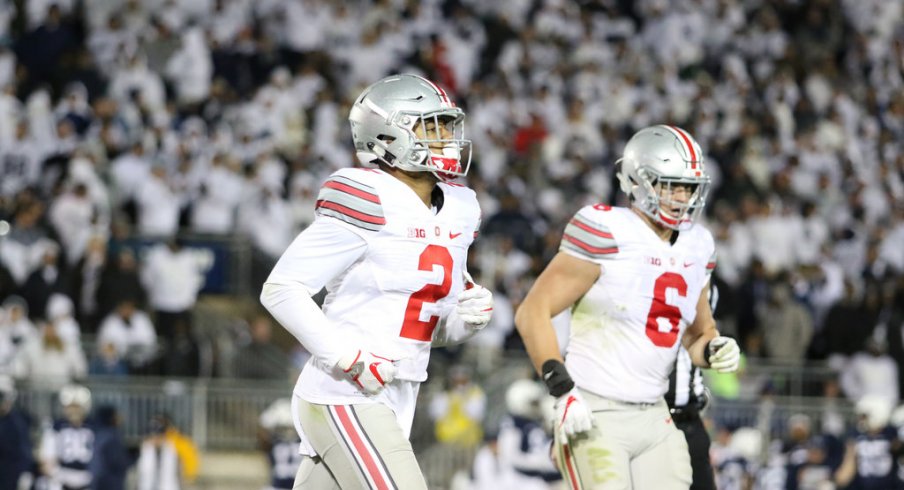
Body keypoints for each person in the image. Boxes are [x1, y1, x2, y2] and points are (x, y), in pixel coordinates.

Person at [261, 73, 493, 489]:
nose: (446, 137)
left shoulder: (461, 207)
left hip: (397, 391)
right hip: (344, 393)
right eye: (431, 126)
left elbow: (420, 330)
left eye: (447, 126)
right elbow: (282, 289)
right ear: (387, 135)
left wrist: (464, 322)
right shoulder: (367, 195)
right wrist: (346, 357)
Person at [514, 125, 741, 490]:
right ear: (640, 181)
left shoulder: (698, 244)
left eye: (689, 187)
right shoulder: (604, 229)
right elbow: (533, 311)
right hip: (596, 409)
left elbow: (696, 334)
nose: (682, 196)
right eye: (671, 185)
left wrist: (714, 347)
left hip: (655, 416)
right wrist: (562, 391)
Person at [665, 283, 719, 490]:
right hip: (647, 414)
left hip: (689, 417)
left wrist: (714, 350)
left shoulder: (705, 287)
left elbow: (700, 337)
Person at [38, 384, 96, 490]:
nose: (73, 411)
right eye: (70, 407)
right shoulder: (56, 427)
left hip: (88, 478)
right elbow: (47, 459)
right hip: (61, 478)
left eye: (77, 407)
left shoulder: (94, 427)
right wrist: (54, 472)